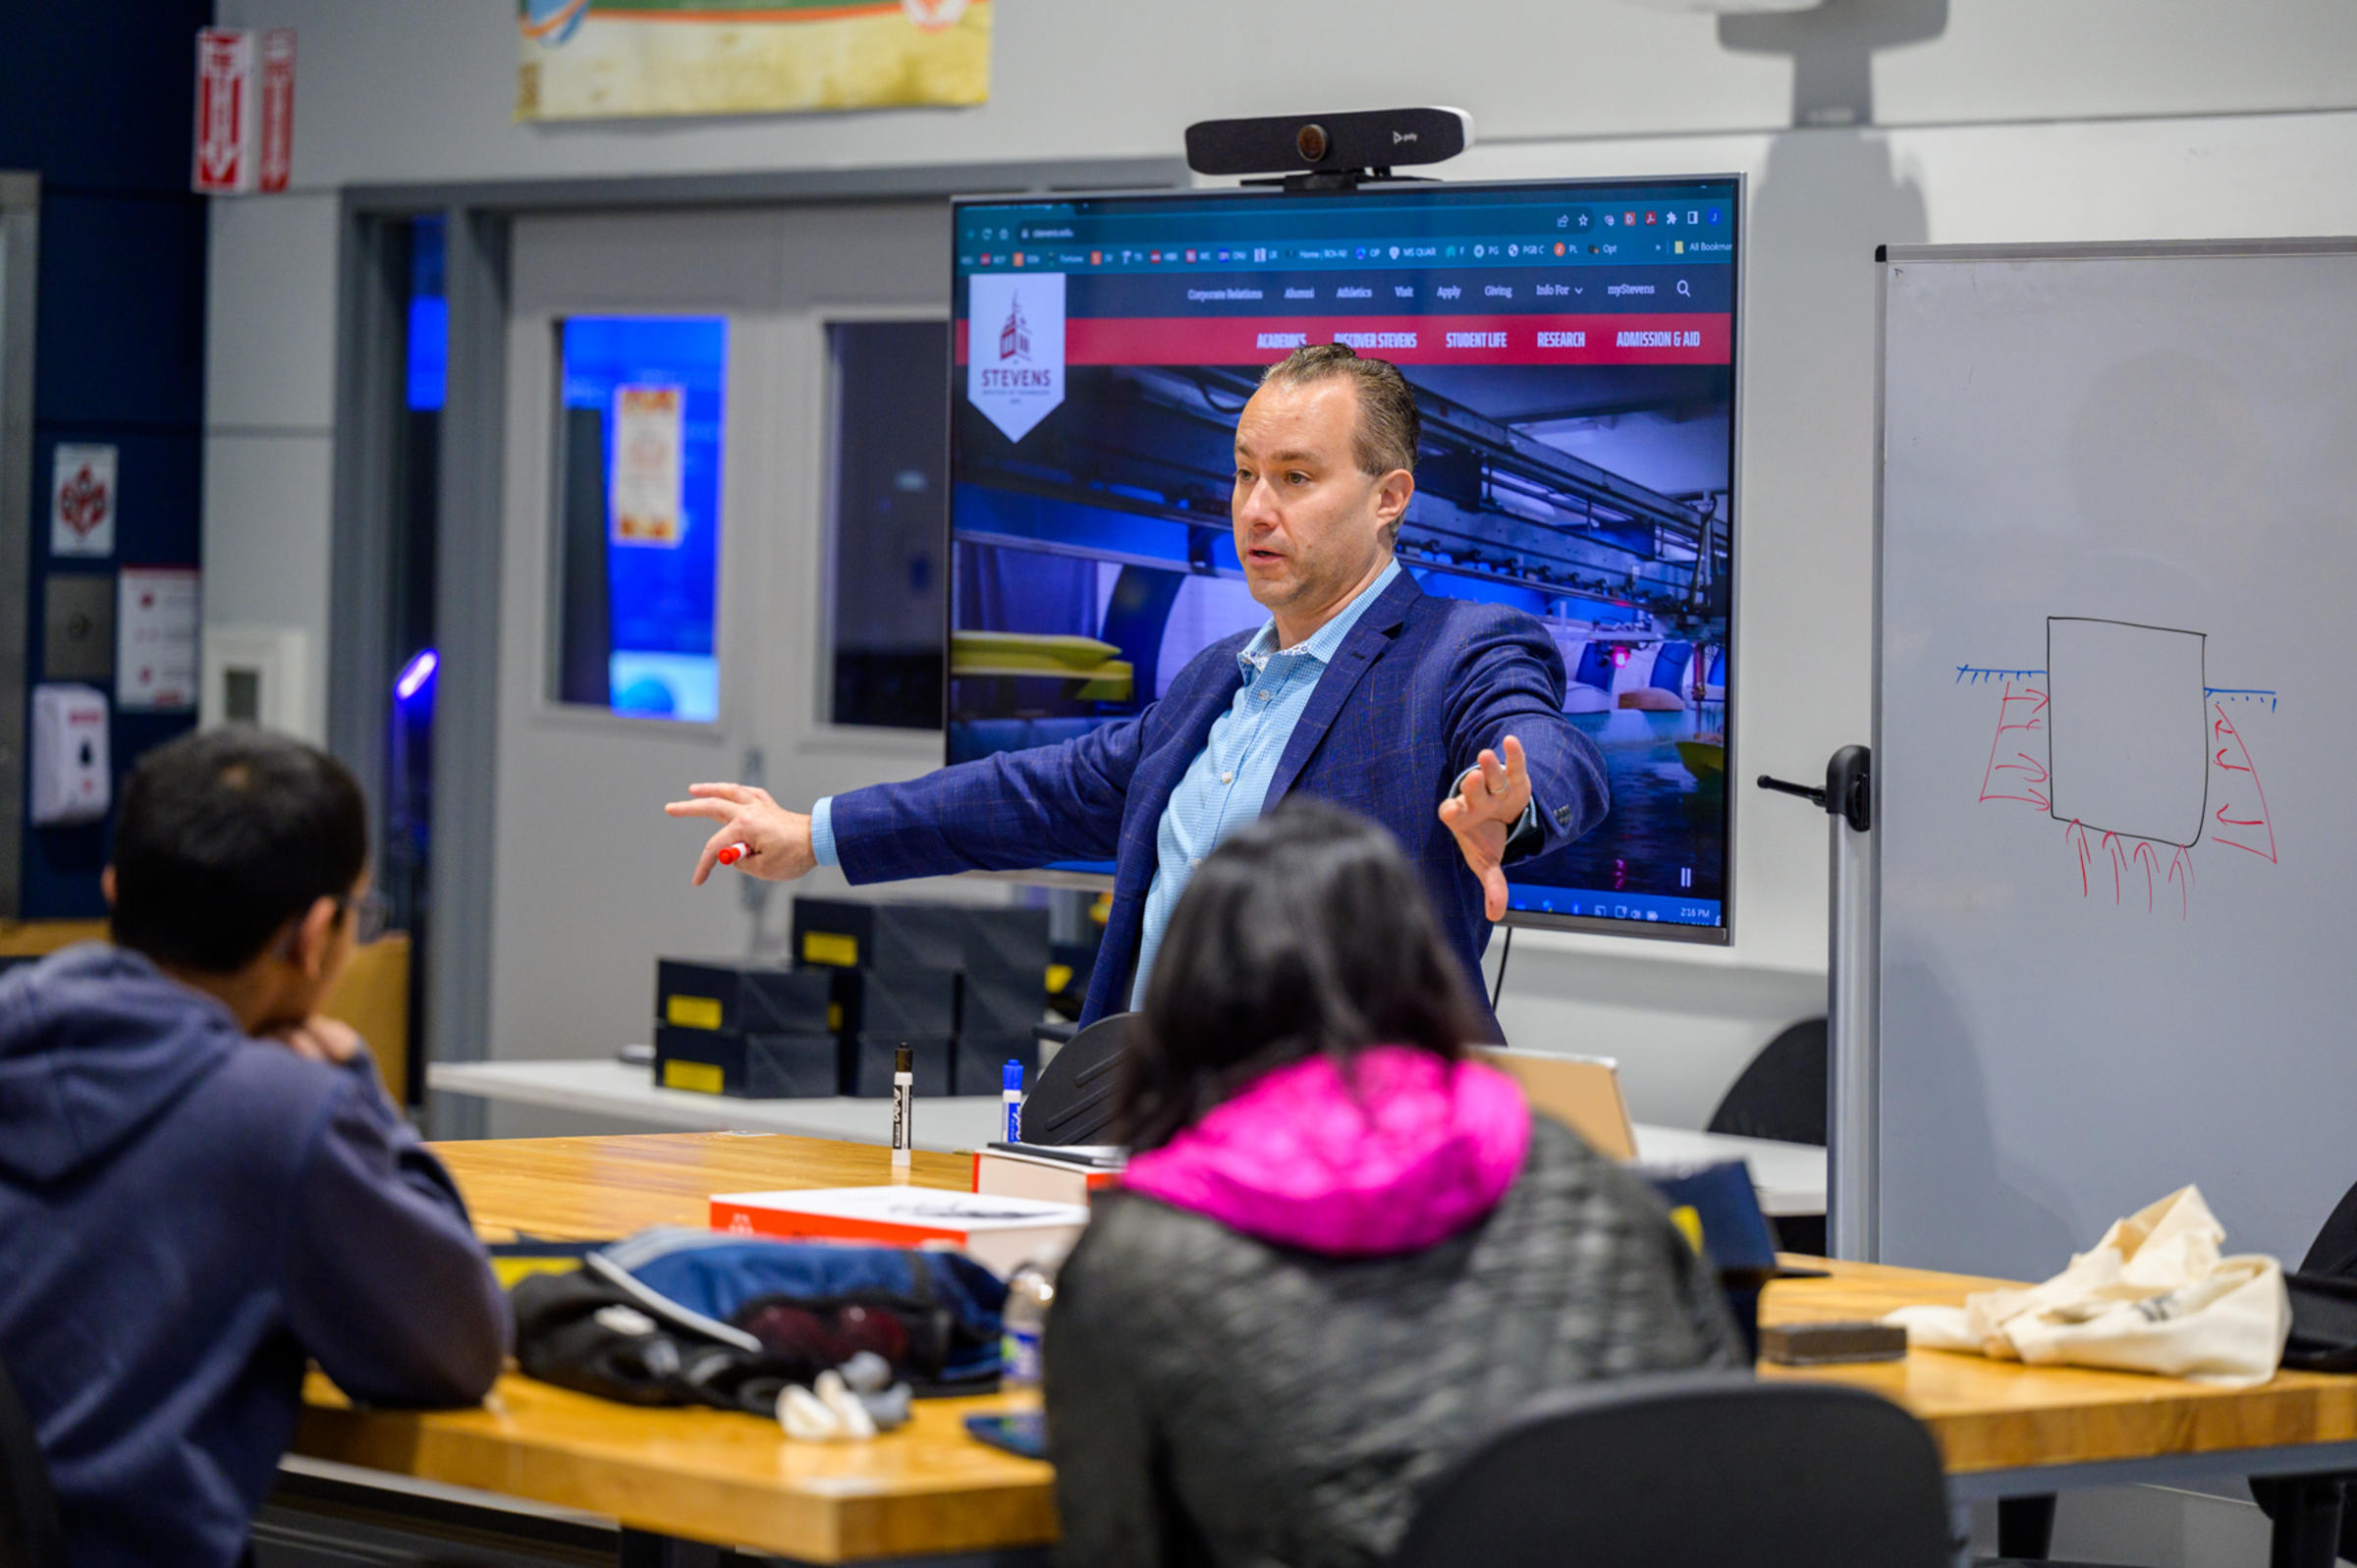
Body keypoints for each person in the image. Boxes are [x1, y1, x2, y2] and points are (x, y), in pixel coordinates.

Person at [667, 344, 1608, 1030]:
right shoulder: (1212, 683)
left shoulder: (1460, 649)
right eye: (1243, 474)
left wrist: (1516, 806)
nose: (1255, 509)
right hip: (1149, 1133)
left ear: (1389, 497)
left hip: (1346, 1166)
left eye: (1295, 477)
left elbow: (1543, 740)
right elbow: (1031, 792)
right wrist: (817, 832)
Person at [1041, 799, 1742, 1568]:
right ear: (1423, 970)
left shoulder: (1137, 1260)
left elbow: (1113, 1541)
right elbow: (1714, 1444)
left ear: (1184, 1000)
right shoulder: (1581, 1179)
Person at [0, 729, 510, 1568]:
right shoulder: (277, 1116)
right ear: (313, 936)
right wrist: (362, 1094)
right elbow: (459, 1345)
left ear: (115, 889)